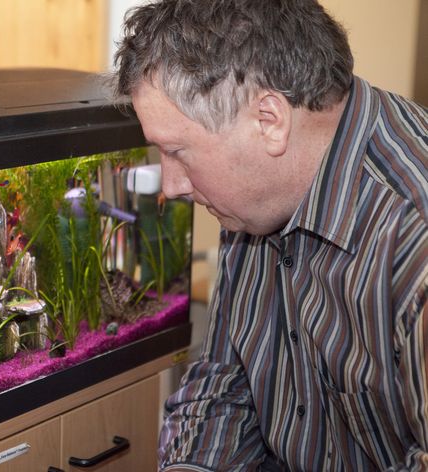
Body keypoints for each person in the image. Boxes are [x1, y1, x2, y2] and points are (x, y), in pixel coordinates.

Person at [110, 0, 427, 470]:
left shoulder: (411, 236)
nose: (172, 185)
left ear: (269, 121)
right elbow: (222, 383)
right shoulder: (252, 199)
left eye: (177, 151)